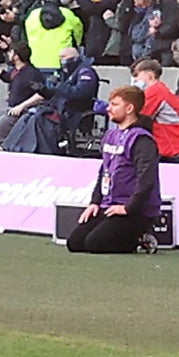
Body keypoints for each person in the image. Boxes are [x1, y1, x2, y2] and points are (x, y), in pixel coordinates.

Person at [64, 84, 162, 253]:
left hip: (135, 211)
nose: (108, 109)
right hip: (110, 205)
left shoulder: (142, 140)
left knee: (94, 244)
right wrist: (95, 202)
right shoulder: (111, 136)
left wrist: (128, 208)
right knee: (75, 243)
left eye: (115, 105)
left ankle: (139, 240)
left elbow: (146, 180)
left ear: (130, 108)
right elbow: (104, 171)